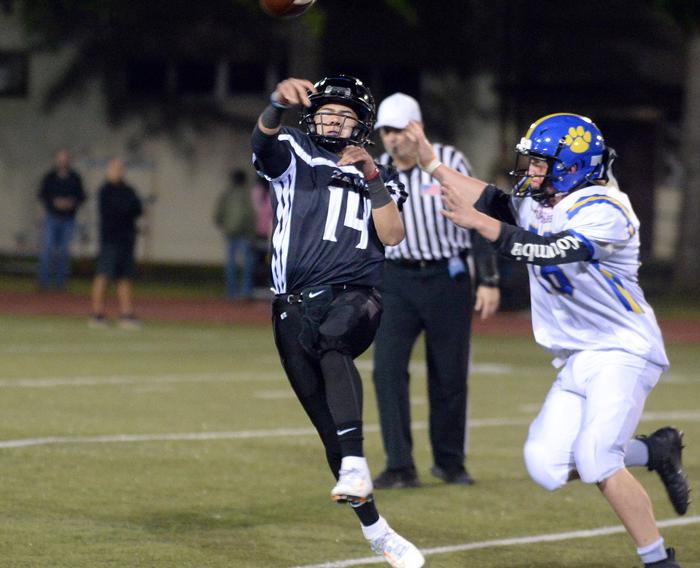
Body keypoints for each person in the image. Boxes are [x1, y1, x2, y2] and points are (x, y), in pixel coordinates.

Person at [405, 114, 689, 567]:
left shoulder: (606, 208)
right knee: (545, 465)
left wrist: (480, 226)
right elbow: (491, 197)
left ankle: (658, 560)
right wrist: (432, 165)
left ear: (572, 166)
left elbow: (552, 247)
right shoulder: (545, 199)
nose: (532, 172)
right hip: (578, 355)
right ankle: (655, 450)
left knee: (597, 459)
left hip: (623, 349)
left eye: (541, 164)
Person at [250, 75, 424, 568]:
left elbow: (392, 236)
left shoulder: (380, 171)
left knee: (334, 341)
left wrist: (372, 176)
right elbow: (261, 141)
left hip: (356, 293)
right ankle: (378, 532)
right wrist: (273, 104)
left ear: (362, 126)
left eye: (346, 115)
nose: (334, 120)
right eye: (327, 111)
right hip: (290, 307)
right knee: (333, 434)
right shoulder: (295, 148)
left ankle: (354, 465)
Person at [370, 93, 501, 490]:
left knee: (449, 374)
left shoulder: (448, 161)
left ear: (418, 128)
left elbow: (478, 215)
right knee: (386, 371)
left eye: (399, 131)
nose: (392, 140)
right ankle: (399, 464)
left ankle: (449, 461)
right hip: (395, 281)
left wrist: (489, 278)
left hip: (448, 277)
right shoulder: (376, 170)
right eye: (386, 132)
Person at [89, 158, 144, 329]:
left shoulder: (129, 190)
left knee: (125, 277)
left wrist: (127, 208)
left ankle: (126, 314)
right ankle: (97, 314)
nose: (118, 172)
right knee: (104, 274)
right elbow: (116, 210)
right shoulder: (105, 191)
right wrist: (126, 208)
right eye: (114, 169)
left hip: (127, 239)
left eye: (120, 169)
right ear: (108, 171)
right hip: (110, 239)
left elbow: (137, 209)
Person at [37, 148, 86, 290]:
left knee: (64, 251)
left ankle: (60, 283)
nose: (63, 160)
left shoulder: (75, 177)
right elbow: (42, 195)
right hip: (52, 218)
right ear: (57, 160)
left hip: (69, 219)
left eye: (65, 158)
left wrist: (71, 202)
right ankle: (43, 282)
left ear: (68, 160)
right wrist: (54, 202)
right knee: (48, 249)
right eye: (60, 158)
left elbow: (82, 196)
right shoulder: (50, 177)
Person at [214, 168, 257, 300]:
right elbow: (251, 214)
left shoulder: (226, 195)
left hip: (230, 232)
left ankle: (231, 292)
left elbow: (218, 215)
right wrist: (252, 232)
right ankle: (246, 292)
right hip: (244, 233)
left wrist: (225, 225)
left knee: (231, 263)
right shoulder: (246, 195)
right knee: (248, 263)